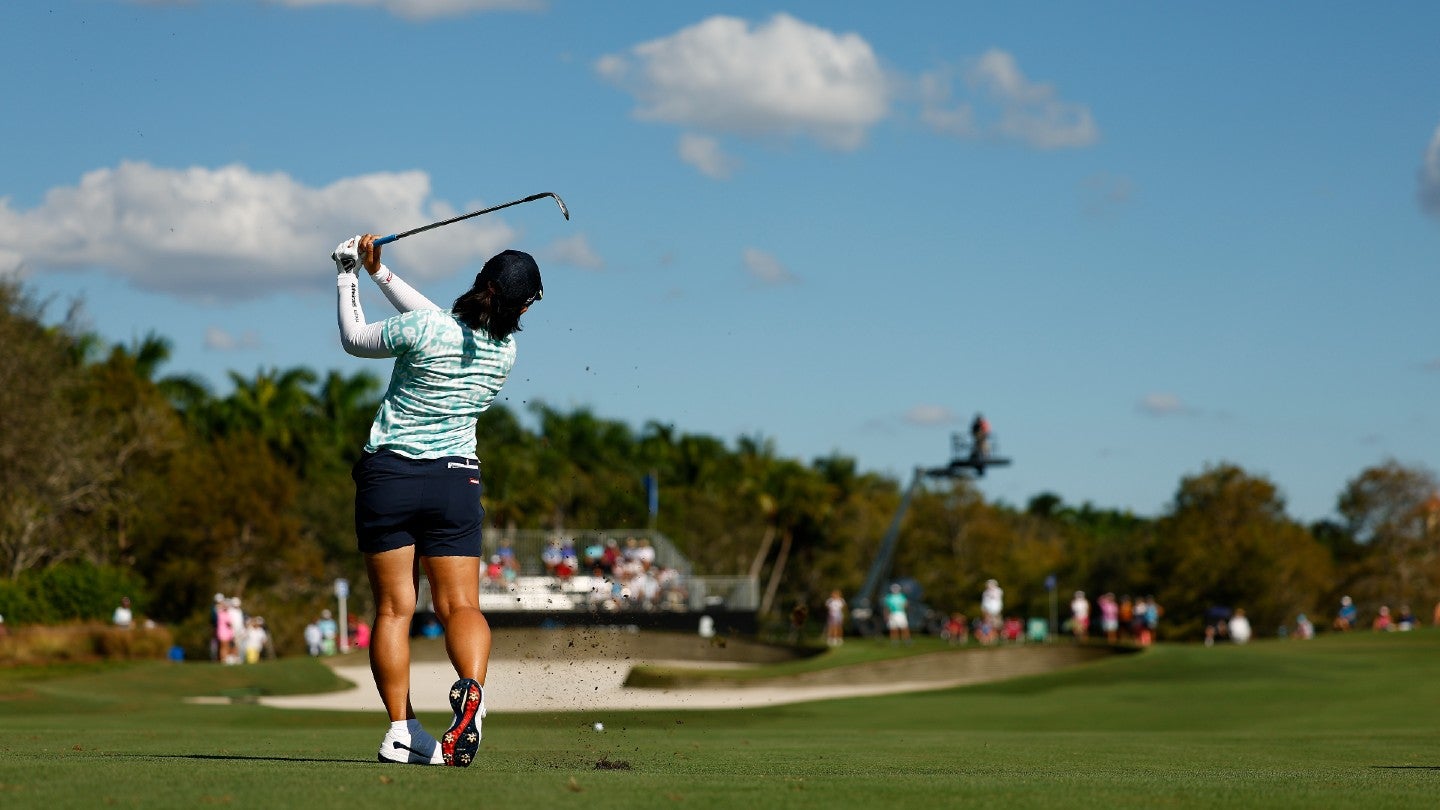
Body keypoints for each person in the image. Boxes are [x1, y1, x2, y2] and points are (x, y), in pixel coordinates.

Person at [333, 233, 543, 767]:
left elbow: (356, 339)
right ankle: (472, 690)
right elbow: (438, 321)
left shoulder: (426, 328)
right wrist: (380, 273)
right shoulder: (505, 352)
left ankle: (401, 731)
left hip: (389, 477)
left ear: (481, 281)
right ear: (521, 308)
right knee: (461, 607)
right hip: (454, 482)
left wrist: (346, 274)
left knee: (394, 609)